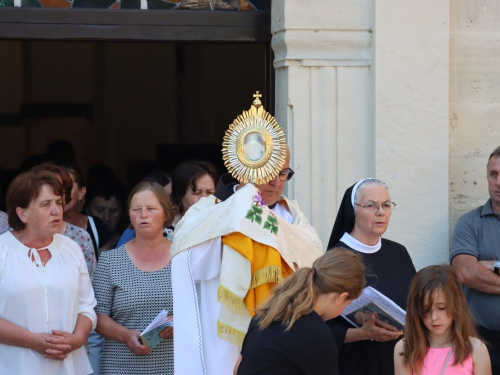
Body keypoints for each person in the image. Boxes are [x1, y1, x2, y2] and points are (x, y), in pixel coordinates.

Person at [171, 147, 324, 375]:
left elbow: (315, 269)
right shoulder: (211, 209)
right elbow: (191, 267)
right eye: (269, 170)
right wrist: (235, 216)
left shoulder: (292, 216)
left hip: (279, 338)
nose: (275, 181)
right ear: (246, 166)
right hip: (222, 335)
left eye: (283, 173)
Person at [0, 170, 96, 374]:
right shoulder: (2, 251)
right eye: (46, 204)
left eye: (59, 202)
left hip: (69, 367)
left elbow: (86, 307)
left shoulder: (72, 248)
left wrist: (77, 339)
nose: (56, 211)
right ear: (22, 213)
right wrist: (32, 341)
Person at [327, 178, 416, 375]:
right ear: (353, 210)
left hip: (397, 361)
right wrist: (360, 334)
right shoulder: (336, 259)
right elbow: (320, 326)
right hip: (355, 364)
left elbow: (416, 303)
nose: (381, 212)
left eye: (386, 205)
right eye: (370, 205)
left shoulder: (399, 253)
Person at [235, 248, 365, 375]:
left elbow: (237, 369)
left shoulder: (269, 312)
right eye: (347, 304)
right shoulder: (319, 336)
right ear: (340, 297)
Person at [92, 181, 175, 375]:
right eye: (136, 209)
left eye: (151, 209)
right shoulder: (110, 260)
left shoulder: (183, 257)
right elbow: (97, 316)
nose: (143, 215)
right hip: (120, 366)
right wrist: (126, 336)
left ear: (166, 214)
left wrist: (181, 320)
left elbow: (202, 305)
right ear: (129, 215)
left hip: (173, 365)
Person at [451, 145, 500, 374]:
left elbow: (474, 271)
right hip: (481, 340)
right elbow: (465, 272)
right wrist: (477, 269)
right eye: (494, 174)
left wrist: (487, 265)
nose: (498, 182)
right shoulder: (470, 223)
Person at [394, 265, 491, 375]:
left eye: (442, 308)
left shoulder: (476, 349)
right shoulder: (405, 348)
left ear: (456, 304)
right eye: (425, 309)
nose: (434, 317)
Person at [32, 164, 97, 279]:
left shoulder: (81, 238)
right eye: (46, 202)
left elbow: (88, 289)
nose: (55, 208)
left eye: (61, 191)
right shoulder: (9, 239)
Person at [61, 162, 110, 257]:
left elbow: (105, 269)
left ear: (81, 192)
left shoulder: (96, 227)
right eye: (57, 188)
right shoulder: (43, 228)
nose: (62, 194)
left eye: (68, 188)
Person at [116, 171, 174, 247]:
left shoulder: (180, 254)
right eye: (136, 209)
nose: (143, 215)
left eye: (172, 196)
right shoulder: (115, 256)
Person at [169, 160, 218, 226]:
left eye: (210, 192)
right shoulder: (166, 231)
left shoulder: (225, 227)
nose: (204, 198)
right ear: (180, 196)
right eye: (197, 193)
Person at [86, 176, 126, 253]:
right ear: (88, 210)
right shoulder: (81, 242)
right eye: (100, 210)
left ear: (122, 212)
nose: (107, 218)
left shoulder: (129, 241)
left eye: (113, 211)